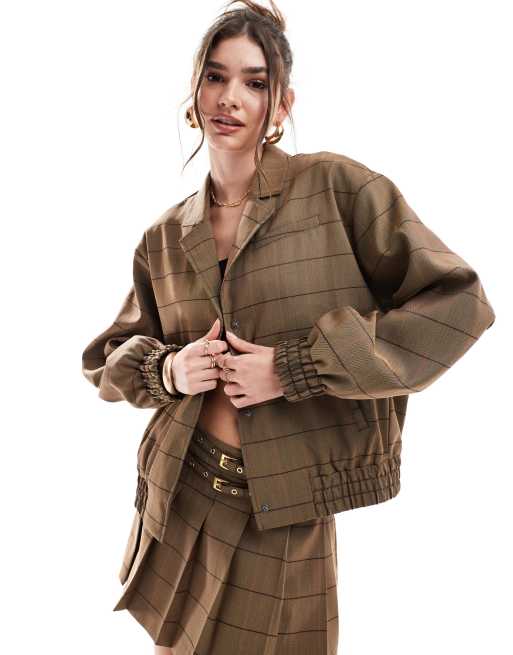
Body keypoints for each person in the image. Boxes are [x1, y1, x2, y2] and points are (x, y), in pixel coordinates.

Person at [81, 1, 496, 653]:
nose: (230, 97)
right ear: (194, 93)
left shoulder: (336, 189)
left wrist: (294, 367)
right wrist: (170, 369)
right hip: (179, 491)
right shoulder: (164, 235)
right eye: (215, 76)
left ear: (281, 104)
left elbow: (459, 304)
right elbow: (105, 359)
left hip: (283, 509)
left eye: (254, 82)